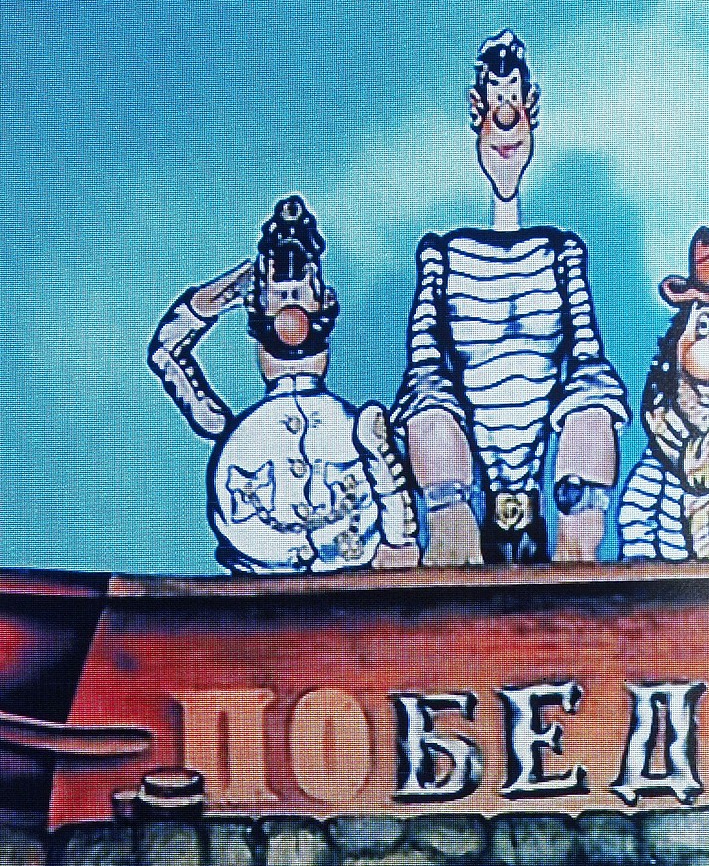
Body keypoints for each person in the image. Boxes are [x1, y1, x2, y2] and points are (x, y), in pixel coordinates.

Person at [392, 29, 629, 566]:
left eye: (515, 102)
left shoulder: (562, 252)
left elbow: (588, 363)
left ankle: (575, 567)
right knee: (427, 415)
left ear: (531, 111)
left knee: (595, 411)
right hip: (462, 482)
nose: (506, 120)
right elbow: (425, 372)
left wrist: (587, 424)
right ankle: (454, 551)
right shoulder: (442, 256)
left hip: (550, 477)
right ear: (478, 112)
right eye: (495, 102)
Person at [146, 194, 418, 574]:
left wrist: (397, 541)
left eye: (302, 286)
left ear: (324, 300)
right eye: (278, 289)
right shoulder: (235, 433)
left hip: (353, 574)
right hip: (257, 580)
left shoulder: (356, 428)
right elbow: (166, 352)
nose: (290, 293)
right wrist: (234, 287)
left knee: (382, 449)